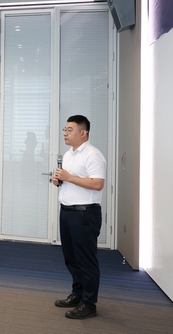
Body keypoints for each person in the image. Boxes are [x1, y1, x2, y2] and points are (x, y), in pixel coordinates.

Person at [52, 115, 106, 320]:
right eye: (64, 130)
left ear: (83, 133)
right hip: (67, 212)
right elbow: (71, 180)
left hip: (84, 214)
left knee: (86, 259)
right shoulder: (68, 154)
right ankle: (77, 294)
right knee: (71, 258)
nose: (65, 133)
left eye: (70, 130)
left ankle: (89, 303)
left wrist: (69, 177)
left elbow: (97, 184)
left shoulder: (93, 155)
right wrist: (59, 180)